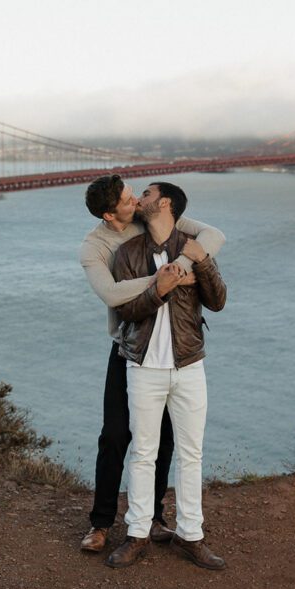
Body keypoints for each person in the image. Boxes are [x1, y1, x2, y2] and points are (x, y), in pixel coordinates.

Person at [79, 173, 225, 552]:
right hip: (129, 347)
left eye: (137, 195)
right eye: (129, 200)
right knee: (115, 435)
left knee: (166, 440)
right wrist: (162, 281)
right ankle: (101, 523)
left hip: (176, 350)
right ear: (112, 215)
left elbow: (212, 235)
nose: (136, 202)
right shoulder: (94, 247)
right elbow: (112, 295)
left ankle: (154, 517)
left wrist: (182, 267)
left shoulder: (151, 216)